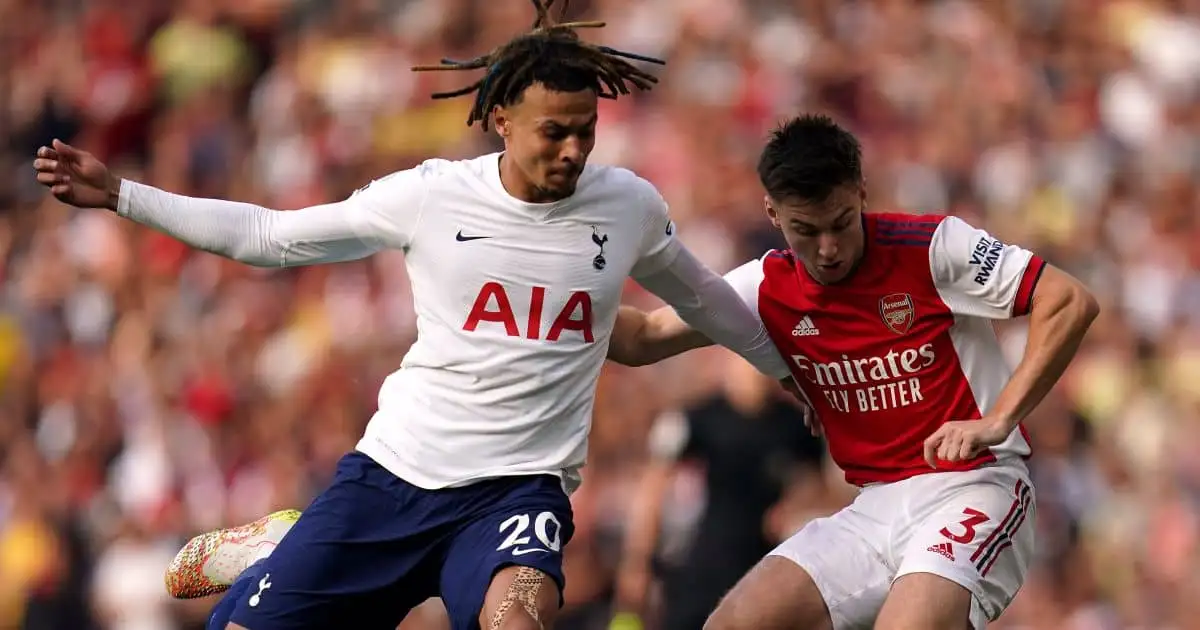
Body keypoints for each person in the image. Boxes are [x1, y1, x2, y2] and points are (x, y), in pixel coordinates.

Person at [30, 1, 793, 628]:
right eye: (552, 132)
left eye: (584, 133)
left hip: (517, 492)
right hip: (394, 476)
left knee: (515, 622)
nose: (571, 151)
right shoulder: (431, 197)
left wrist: (780, 367)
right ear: (500, 119)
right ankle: (289, 542)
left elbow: (702, 299)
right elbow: (269, 236)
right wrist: (125, 196)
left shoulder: (626, 206)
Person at [605, 114, 1100, 630]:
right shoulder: (764, 289)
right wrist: (545, 290)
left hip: (975, 488)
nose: (828, 248)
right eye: (806, 230)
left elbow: (1068, 300)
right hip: (875, 507)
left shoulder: (931, 249)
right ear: (773, 212)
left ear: (861, 191)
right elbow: (640, 339)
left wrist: (998, 419)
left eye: (841, 222)